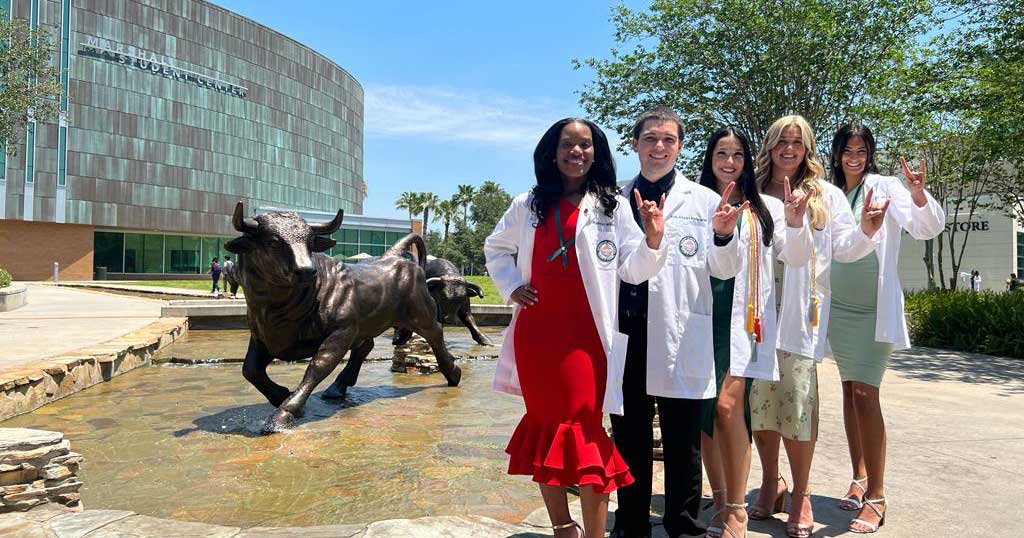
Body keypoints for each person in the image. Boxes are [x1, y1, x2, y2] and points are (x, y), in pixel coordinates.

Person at [485, 117, 668, 538]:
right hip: (539, 334)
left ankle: (596, 533)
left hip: (588, 338)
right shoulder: (528, 205)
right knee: (546, 427)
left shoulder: (612, 206)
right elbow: (495, 248)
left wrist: (653, 239)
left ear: (596, 152)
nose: (576, 152)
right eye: (567, 144)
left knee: (586, 431)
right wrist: (512, 286)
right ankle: (563, 526)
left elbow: (634, 269)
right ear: (552, 152)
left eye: (585, 145)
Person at [747, 115, 886, 538]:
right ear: (769, 146)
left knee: (799, 405)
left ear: (807, 148)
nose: (788, 150)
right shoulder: (752, 193)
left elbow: (844, 248)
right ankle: (772, 482)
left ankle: (802, 492)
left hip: (800, 320)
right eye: (781, 142)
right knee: (762, 407)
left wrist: (866, 230)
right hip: (755, 317)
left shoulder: (824, 195)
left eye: (797, 143)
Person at [610, 107, 745, 538]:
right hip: (626, 331)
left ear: (681, 147)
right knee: (629, 438)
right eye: (650, 138)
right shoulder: (612, 200)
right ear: (634, 144)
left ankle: (684, 526)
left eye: (669, 139)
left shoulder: (705, 202)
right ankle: (630, 524)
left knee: (682, 440)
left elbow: (725, 269)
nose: (659, 146)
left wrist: (724, 234)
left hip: (679, 331)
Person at [827, 124, 946, 533]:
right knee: (847, 390)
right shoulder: (832, 192)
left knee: (865, 393)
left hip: (873, 309)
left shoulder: (886, 186)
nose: (854, 156)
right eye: (847, 149)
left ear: (869, 153)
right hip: (837, 308)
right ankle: (859, 477)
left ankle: (877, 495)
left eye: (861, 149)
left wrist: (917, 194)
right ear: (837, 153)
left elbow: (925, 227)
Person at [696, 127, 812, 538]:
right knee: (706, 413)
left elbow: (796, 257)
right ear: (709, 158)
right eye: (721, 153)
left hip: (743, 320)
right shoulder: (695, 202)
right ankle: (721, 497)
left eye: (738, 154)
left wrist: (797, 224)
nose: (729, 162)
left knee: (728, 407)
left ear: (747, 161)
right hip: (699, 317)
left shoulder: (765, 208)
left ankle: (736, 509)